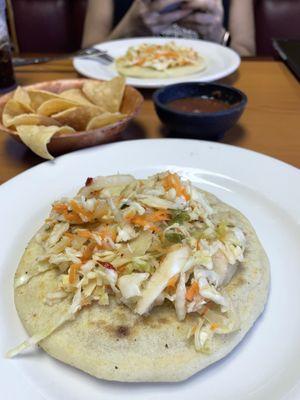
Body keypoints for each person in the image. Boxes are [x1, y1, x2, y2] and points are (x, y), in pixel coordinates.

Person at [82, 0, 255, 56]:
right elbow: (86, 54)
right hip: (127, 89)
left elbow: (247, 52)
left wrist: (218, 37)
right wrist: (127, 30)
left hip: (209, 91)